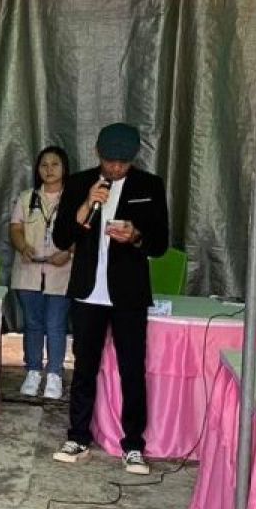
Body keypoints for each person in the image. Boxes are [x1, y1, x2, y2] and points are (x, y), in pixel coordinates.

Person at [51, 122, 169, 475]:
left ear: (133, 158)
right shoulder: (78, 183)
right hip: (88, 292)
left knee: (132, 370)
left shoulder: (150, 186)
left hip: (129, 295)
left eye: (123, 162)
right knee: (84, 368)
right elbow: (61, 238)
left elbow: (160, 244)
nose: (116, 168)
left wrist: (135, 236)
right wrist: (87, 203)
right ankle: (78, 437)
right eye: (110, 161)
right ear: (98, 155)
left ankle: (133, 445)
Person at [9, 146, 73, 400]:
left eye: (55, 164)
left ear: (64, 168)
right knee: (33, 325)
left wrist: (68, 251)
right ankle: (33, 371)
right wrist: (22, 246)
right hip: (29, 272)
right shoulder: (27, 198)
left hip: (62, 272)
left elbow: (82, 232)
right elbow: (15, 228)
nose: (49, 169)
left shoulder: (73, 199)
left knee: (56, 325)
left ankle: (55, 374)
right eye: (44, 165)